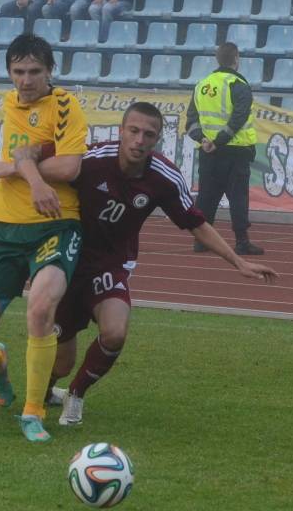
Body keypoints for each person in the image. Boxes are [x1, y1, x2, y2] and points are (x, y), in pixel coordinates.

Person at [45, 102, 279, 425]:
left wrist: (238, 262)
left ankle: (76, 394)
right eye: (134, 131)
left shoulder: (164, 177)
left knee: (115, 333)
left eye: (149, 134)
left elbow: (196, 223)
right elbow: (51, 169)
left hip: (111, 266)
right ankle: (43, 392)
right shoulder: (91, 160)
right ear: (121, 131)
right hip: (68, 263)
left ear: (157, 140)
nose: (139, 140)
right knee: (61, 362)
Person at [0, 33, 87, 444]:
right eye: (18, 71)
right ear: (9, 73)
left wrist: (17, 169)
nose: (26, 80)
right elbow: (27, 155)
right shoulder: (10, 102)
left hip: (57, 223)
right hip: (6, 227)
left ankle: (33, 412)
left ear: (50, 70)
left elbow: (69, 168)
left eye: (35, 71)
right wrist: (27, 169)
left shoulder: (66, 105)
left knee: (40, 308)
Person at [187, 42, 264, 255]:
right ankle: (241, 241)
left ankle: (201, 240)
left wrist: (203, 139)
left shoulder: (201, 85)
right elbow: (239, 117)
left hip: (208, 151)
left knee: (206, 197)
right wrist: (219, 141)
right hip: (236, 150)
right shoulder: (238, 84)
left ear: (217, 59)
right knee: (238, 198)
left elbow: (191, 121)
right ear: (236, 59)